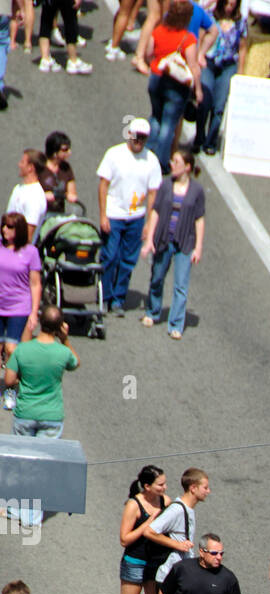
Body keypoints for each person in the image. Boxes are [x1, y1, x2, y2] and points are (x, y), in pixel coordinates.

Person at [97, 120, 162, 316]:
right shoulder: (114, 154)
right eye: (136, 136)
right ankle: (104, 296)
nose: (139, 141)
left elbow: (152, 194)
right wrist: (103, 215)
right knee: (110, 256)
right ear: (129, 134)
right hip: (114, 214)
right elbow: (103, 185)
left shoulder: (151, 161)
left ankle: (118, 298)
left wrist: (149, 223)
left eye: (143, 138)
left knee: (127, 260)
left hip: (136, 217)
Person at [140, 146, 205, 340]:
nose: (171, 164)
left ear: (187, 167)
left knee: (181, 285)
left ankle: (176, 324)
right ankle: (152, 311)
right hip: (163, 239)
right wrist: (150, 239)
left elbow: (199, 219)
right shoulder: (166, 185)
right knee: (157, 277)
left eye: (176, 162)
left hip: (185, 241)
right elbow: (155, 211)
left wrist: (198, 247)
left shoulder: (197, 190)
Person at [115, 466, 169, 594]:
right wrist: (148, 524)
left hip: (155, 564)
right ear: (147, 486)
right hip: (134, 563)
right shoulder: (134, 505)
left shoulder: (165, 502)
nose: (165, 488)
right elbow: (124, 539)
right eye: (160, 484)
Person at [5, 304, 79, 442]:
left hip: (25, 413)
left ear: (40, 320)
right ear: (61, 326)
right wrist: (65, 339)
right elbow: (76, 363)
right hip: (52, 415)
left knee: (22, 458)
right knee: (45, 460)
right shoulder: (63, 352)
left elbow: (9, 380)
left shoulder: (22, 350)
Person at [145, 2, 203, 175]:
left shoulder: (158, 31)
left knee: (156, 116)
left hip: (157, 78)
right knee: (169, 124)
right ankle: (161, 162)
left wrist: (154, 67)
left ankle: (146, 152)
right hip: (176, 85)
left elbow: (149, 54)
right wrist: (198, 90)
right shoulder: (188, 39)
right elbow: (194, 67)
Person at [195, 0, 247, 155]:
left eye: (233, 4)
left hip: (228, 65)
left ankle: (211, 141)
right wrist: (199, 57)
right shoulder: (210, 16)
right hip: (209, 63)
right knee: (205, 100)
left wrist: (241, 70)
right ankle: (199, 136)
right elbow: (201, 37)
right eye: (227, 4)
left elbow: (242, 48)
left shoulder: (240, 22)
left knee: (219, 105)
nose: (230, 7)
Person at [0, 212, 40, 410]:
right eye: (4, 226)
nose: (5, 230)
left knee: (11, 350)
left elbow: (35, 283)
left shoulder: (30, 252)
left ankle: (10, 389)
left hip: (18, 307)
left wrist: (34, 312)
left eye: (10, 227)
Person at [5, 150, 47, 241]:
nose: (19, 165)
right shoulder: (18, 188)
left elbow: (28, 236)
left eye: (22, 162)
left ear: (30, 168)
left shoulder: (35, 196)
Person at [40, 132, 77, 216]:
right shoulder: (40, 166)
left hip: (58, 214)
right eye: (65, 150)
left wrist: (68, 195)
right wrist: (43, 195)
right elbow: (30, 189)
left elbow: (72, 192)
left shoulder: (66, 168)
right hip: (41, 213)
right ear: (54, 151)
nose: (69, 152)